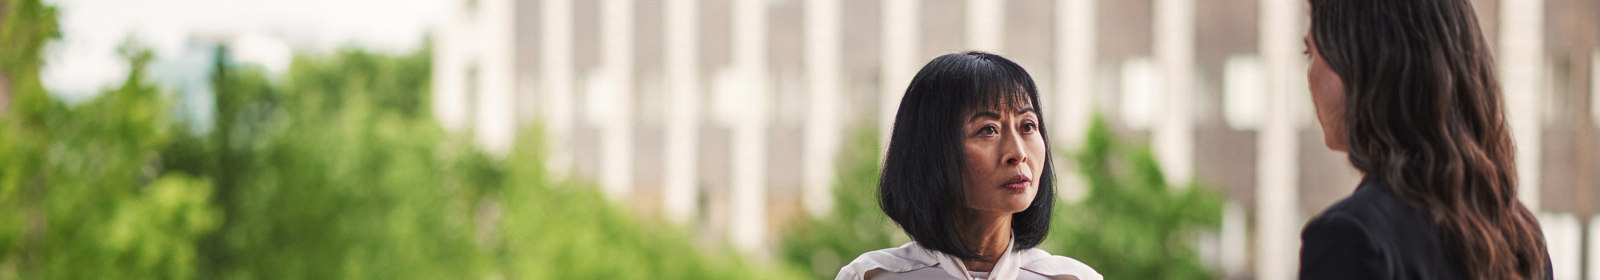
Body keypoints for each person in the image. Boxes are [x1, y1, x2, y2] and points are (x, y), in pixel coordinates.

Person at [1298, 0, 1553, 279]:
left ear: (1361, 64)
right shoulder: (1521, 239)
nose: (1309, 75)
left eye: (1310, 52)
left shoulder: (1350, 237)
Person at [835, 51, 1101, 280]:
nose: (1018, 153)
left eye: (1028, 126)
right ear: (931, 150)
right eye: (988, 130)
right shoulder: (871, 275)